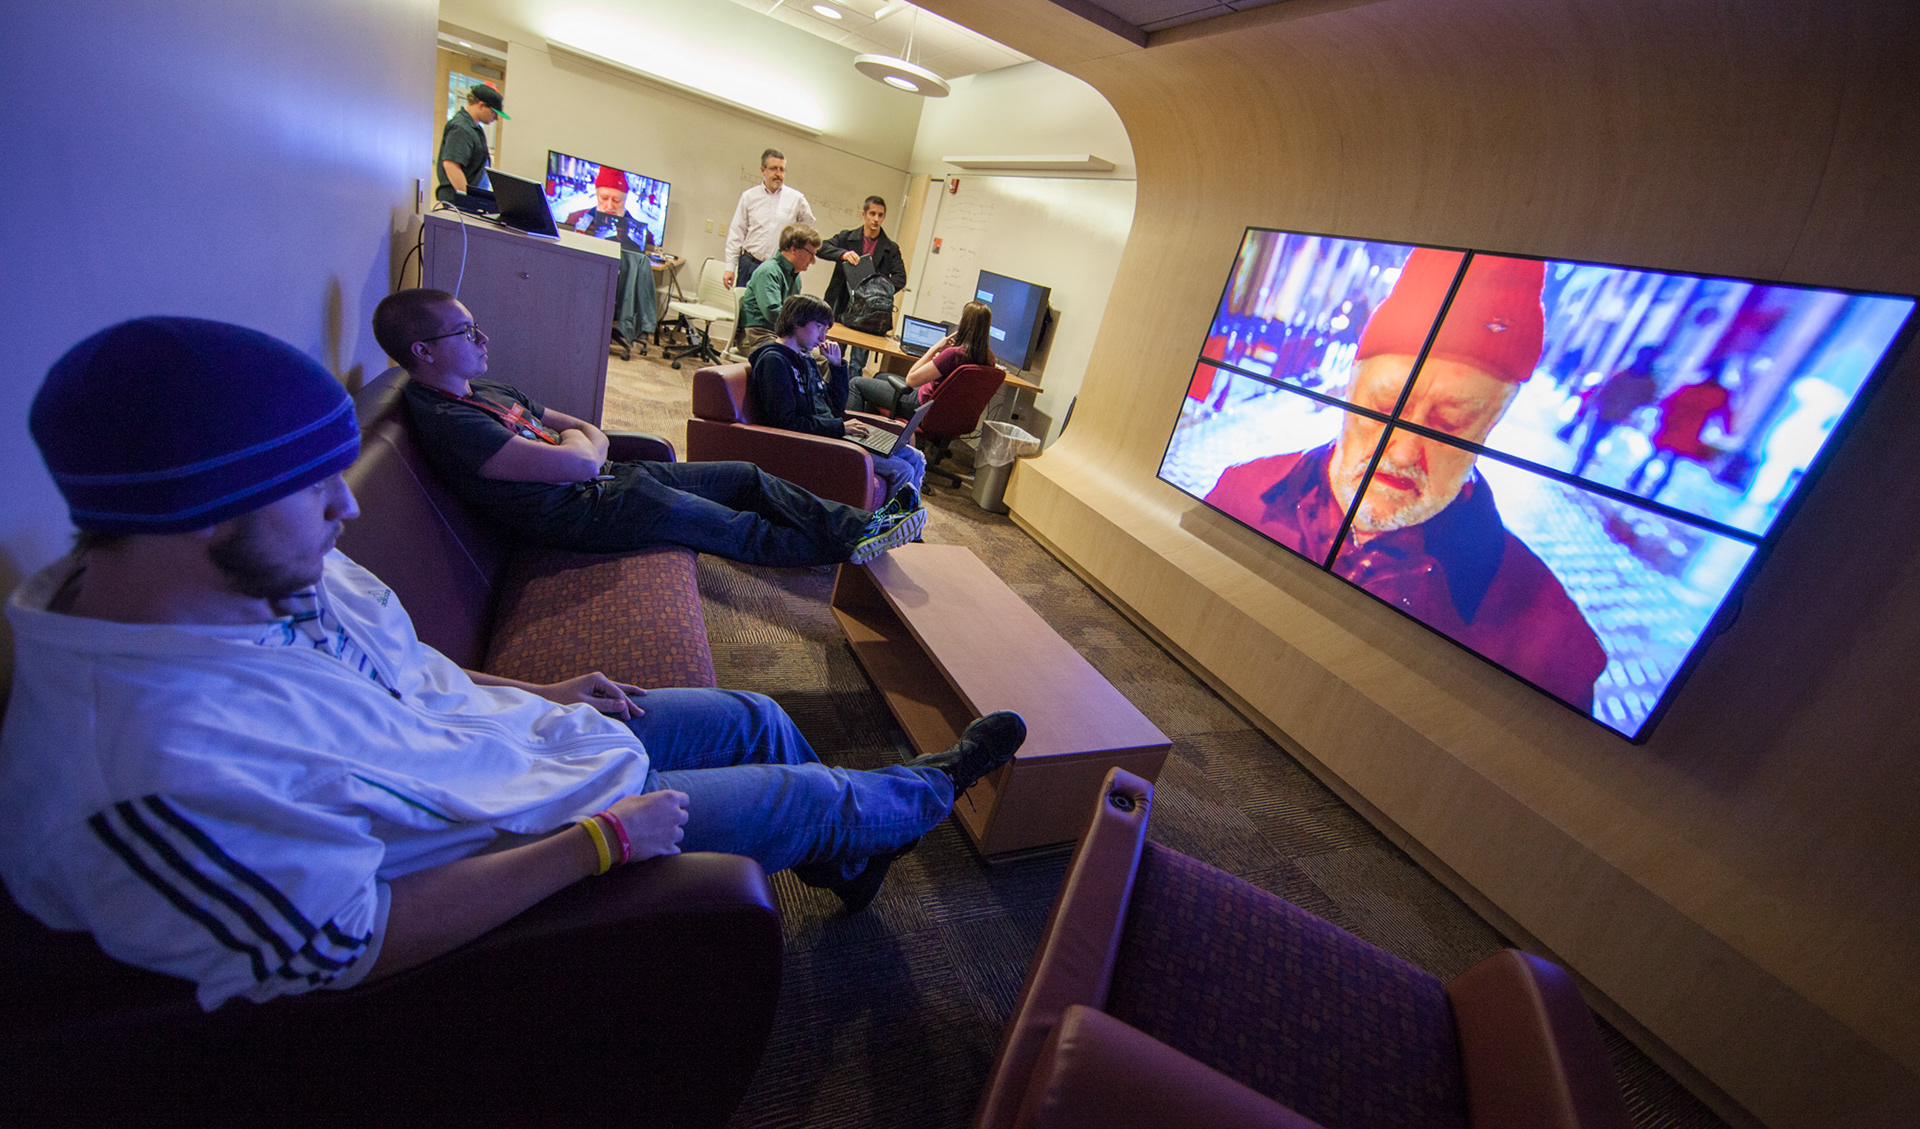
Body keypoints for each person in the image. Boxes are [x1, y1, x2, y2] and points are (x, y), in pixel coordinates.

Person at [0, 315, 1028, 1010]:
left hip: (515, 740)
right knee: (808, 793)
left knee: (756, 717)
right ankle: (913, 804)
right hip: (520, 839)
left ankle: (848, 857)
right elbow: (347, 941)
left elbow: (405, 669)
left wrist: (541, 688)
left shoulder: (265, 574)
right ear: (197, 510)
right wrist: (596, 845)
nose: (346, 505)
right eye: (312, 486)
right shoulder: (140, 769)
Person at [1203, 249, 1607, 710]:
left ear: (1490, 428)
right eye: (1385, 407)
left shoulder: (1549, 647)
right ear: (1348, 389)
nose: (1401, 452)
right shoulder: (1240, 489)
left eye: (1448, 425)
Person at [373, 288, 926, 566]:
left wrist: (581, 444)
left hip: (611, 478)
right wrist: (581, 446)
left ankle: (863, 526)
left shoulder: (487, 390)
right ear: (423, 351)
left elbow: (582, 430)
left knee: (746, 475)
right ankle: (852, 544)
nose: (482, 339)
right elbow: (580, 456)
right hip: (588, 511)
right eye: (465, 333)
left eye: (476, 327)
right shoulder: (450, 421)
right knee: (739, 527)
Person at [750, 296, 927, 503]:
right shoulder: (774, 361)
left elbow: (835, 407)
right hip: (812, 443)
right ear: (796, 321)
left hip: (829, 434)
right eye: (819, 327)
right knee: (903, 470)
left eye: (826, 330)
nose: (822, 338)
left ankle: (908, 520)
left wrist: (837, 366)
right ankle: (887, 523)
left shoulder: (805, 358)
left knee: (915, 457)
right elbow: (785, 422)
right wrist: (840, 428)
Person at [848, 300, 997, 418]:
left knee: (856, 383)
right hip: (947, 412)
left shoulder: (953, 354)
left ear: (964, 324)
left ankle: (850, 436)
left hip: (920, 405)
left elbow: (910, 380)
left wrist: (934, 349)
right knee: (880, 376)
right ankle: (875, 429)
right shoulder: (989, 358)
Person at [820, 196, 908, 376]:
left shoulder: (890, 248)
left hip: (870, 313)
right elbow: (821, 247)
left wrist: (878, 290)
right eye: (872, 214)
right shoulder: (847, 237)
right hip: (842, 304)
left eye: (880, 215)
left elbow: (901, 277)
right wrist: (843, 254)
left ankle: (851, 391)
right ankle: (828, 387)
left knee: (857, 363)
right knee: (833, 354)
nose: (876, 219)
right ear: (864, 214)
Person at [1626, 363, 1735, 500]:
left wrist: (1665, 417)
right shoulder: (1719, 395)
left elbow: (1667, 402)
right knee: (1670, 464)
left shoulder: (1690, 389)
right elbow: (1725, 414)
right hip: (1689, 433)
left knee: (1653, 456)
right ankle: (1653, 493)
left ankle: (1634, 482)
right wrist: (1727, 430)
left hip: (1671, 427)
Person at [723, 148, 816, 290]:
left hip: (779, 269)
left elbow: (811, 233)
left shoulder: (796, 199)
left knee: (775, 305)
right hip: (750, 265)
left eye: (782, 169)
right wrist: (730, 267)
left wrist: (798, 259)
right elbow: (737, 233)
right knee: (745, 303)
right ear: (763, 170)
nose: (778, 174)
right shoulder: (749, 196)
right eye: (773, 169)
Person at [1561, 345, 1660, 477]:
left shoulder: (1644, 381)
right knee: (1592, 440)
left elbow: (1646, 399)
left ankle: (1580, 467)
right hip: (1605, 411)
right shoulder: (1624, 375)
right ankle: (1579, 467)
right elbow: (1606, 390)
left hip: (1615, 415)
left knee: (1593, 440)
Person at [735, 223, 821, 354]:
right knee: (796, 358)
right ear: (793, 250)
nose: (813, 260)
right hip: (757, 335)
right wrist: (804, 328)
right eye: (810, 253)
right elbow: (773, 313)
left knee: (821, 358)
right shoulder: (769, 271)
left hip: (776, 334)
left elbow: (792, 313)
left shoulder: (795, 276)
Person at [435, 84, 506, 205]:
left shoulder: (474, 128)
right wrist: (468, 199)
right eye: (494, 112)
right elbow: (451, 165)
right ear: (481, 105)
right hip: (458, 203)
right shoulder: (461, 128)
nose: (496, 118)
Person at [565, 163, 651, 253]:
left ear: (625, 199)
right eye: (604, 198)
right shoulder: (574, 219)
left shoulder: (646, 236)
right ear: (597, 195)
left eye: (616, 200)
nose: (610, 206)